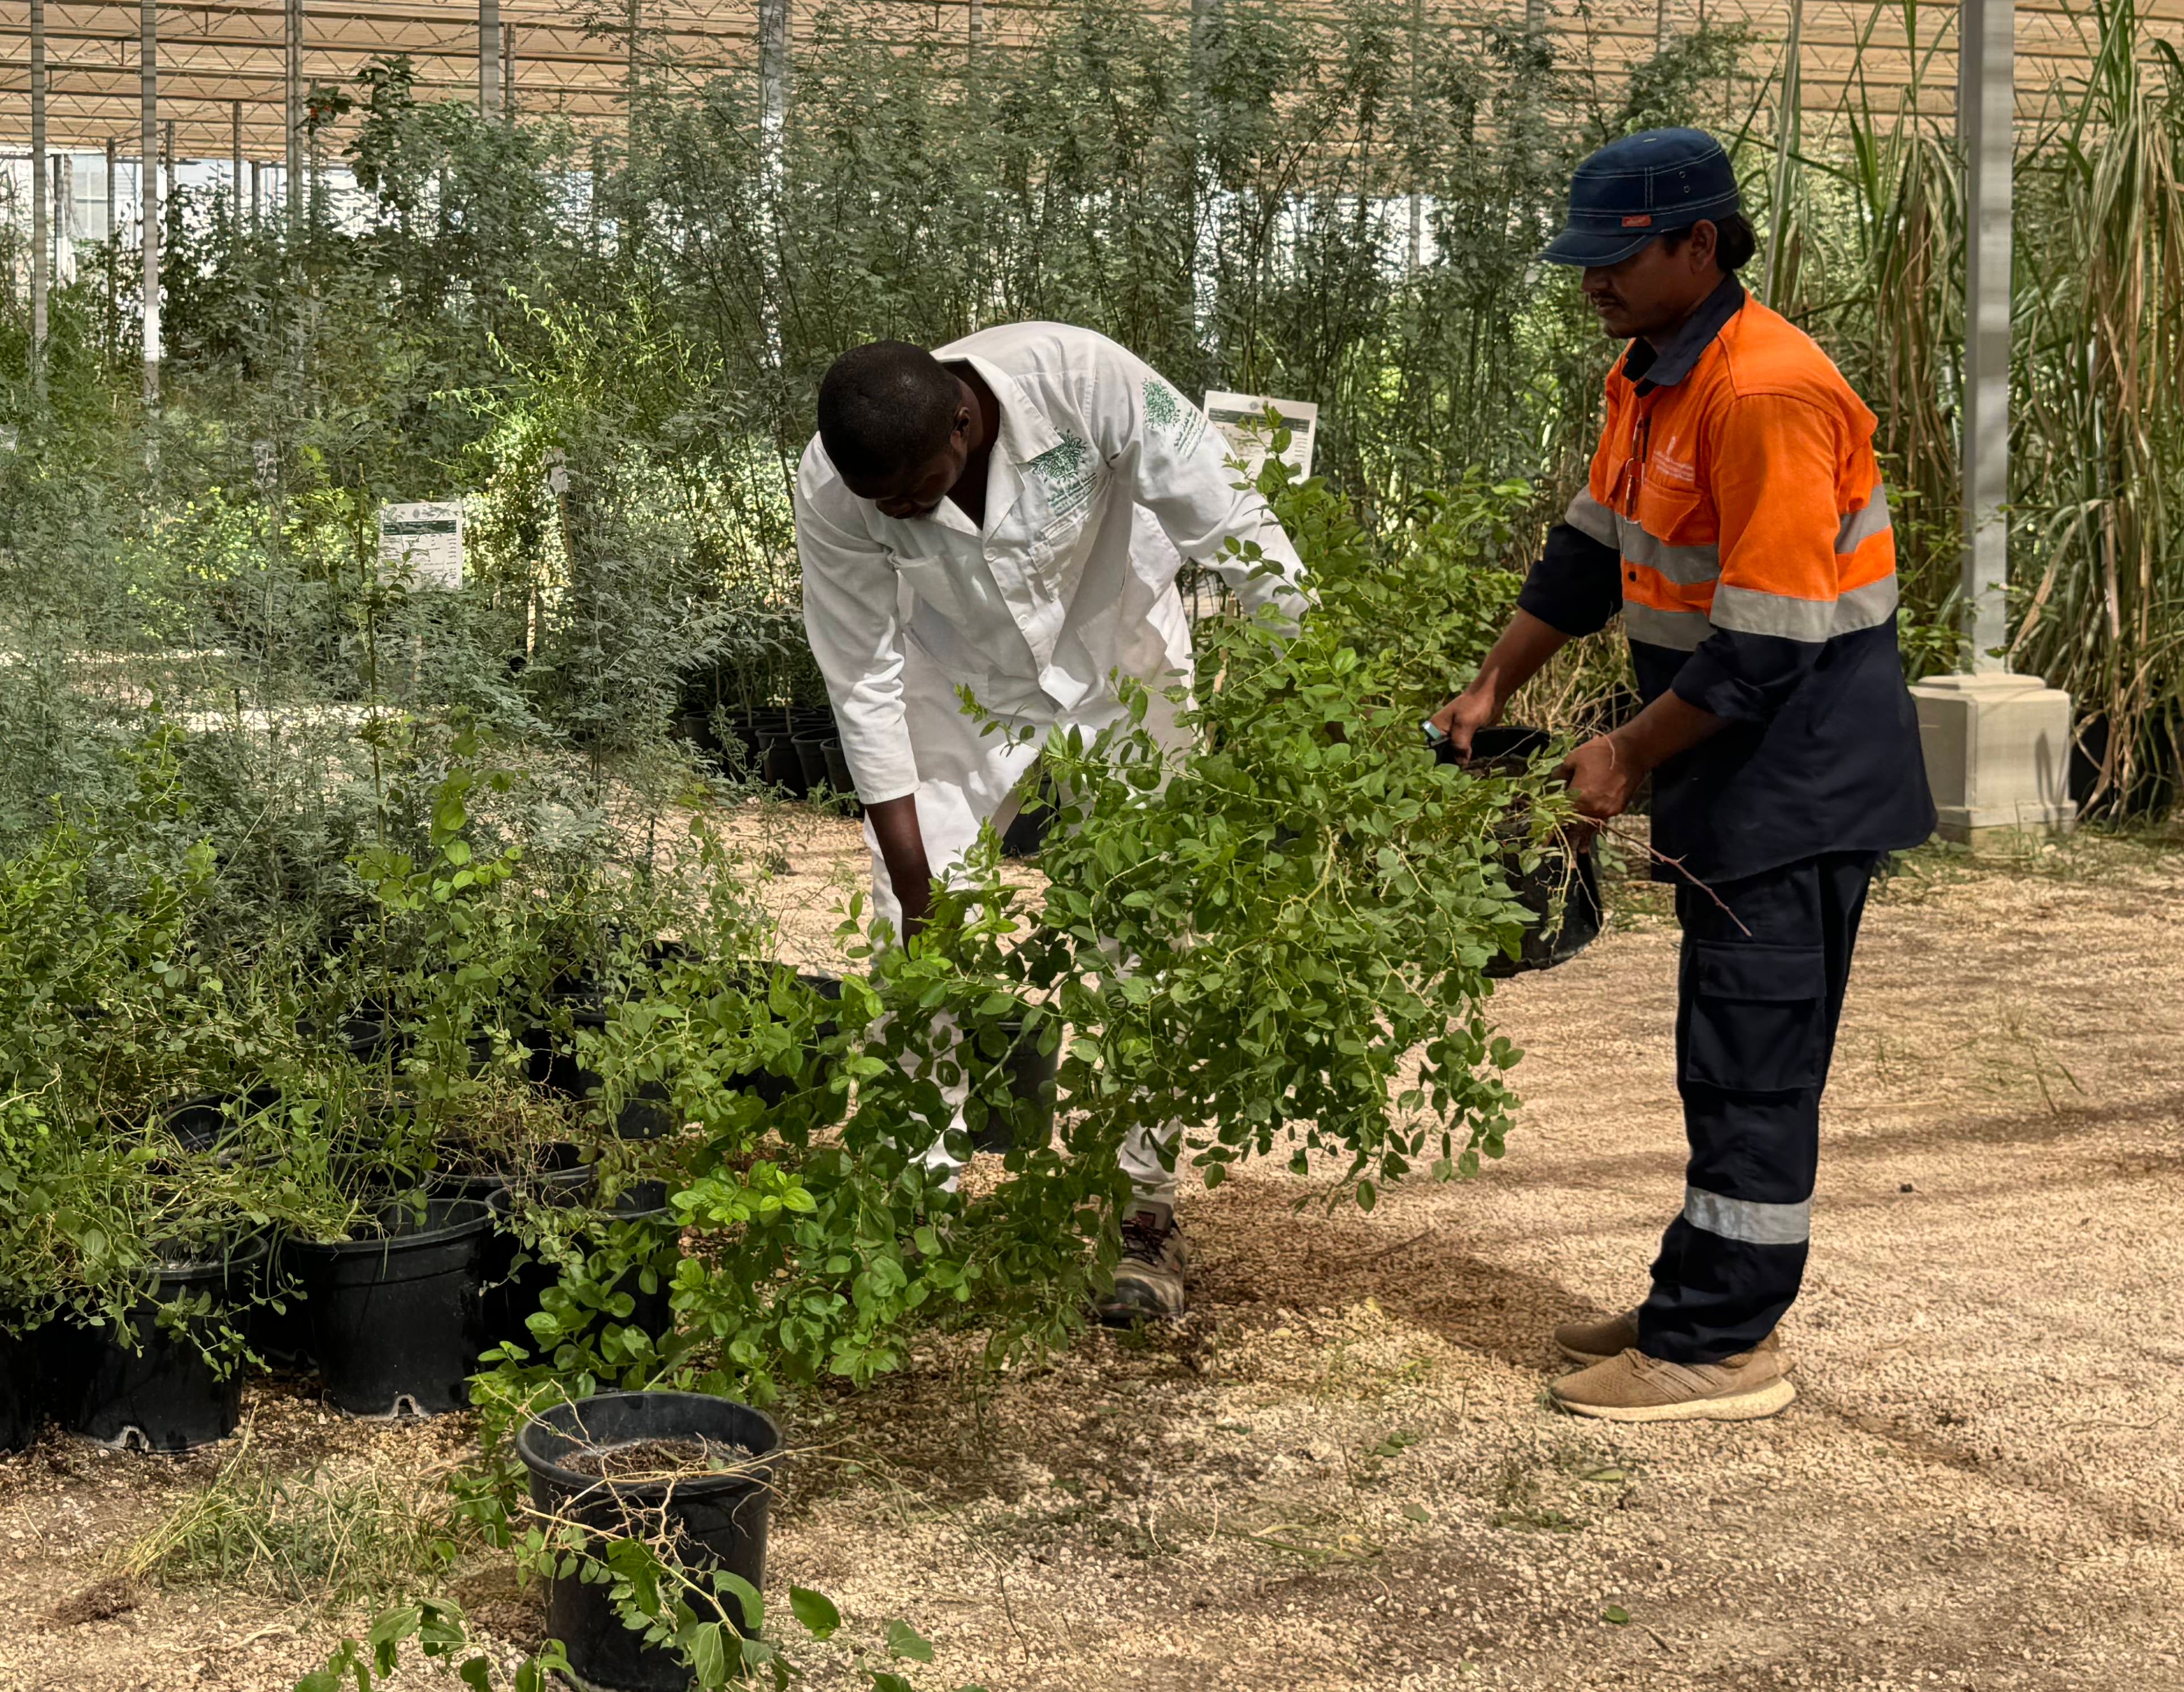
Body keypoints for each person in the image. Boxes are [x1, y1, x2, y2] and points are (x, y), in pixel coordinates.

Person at [1435, 125, 1933, 1425]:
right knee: (1725, 1045)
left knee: (1754, 1054)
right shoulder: (1653, 371)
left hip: (1799, 767)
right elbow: (1590, 554)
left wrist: (1622, 752)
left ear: (1699, 245)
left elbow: (1767, 643)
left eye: (1618, 257)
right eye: (1585, 260)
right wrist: (1498, 684)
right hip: (1733, 759)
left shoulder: (1765, 392)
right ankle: (1696, 1293)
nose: (1592, 280)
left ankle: (1722, 1346)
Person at [795, 322, 1307, 1323]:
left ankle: (1143, 1215)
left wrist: (1318, 695)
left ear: (963, 416)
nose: (903, 511)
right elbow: (860, 672)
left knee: (1142, 933)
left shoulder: (1084, 380)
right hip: (957, 686)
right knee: (917, 940)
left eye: (917, 488)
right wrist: (913, 877)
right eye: (885, 505)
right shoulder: (834, 486)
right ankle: (915, 1201)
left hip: (1121, 662)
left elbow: (1231, 524)